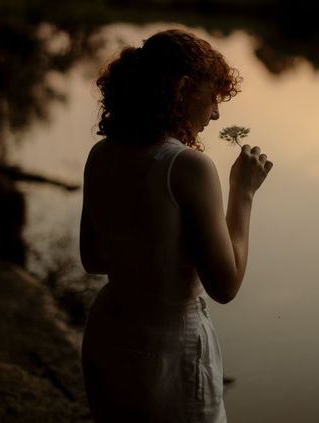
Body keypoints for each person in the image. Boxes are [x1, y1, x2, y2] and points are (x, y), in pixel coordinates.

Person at [80, 28, 273, 423]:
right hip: (169, 348)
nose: (217, 114)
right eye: (213, 97)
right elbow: (225, 286)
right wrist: (244, 191)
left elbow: (93, 257)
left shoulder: (101, 153)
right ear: (184, 89)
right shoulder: (188, 166)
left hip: (109, 334)